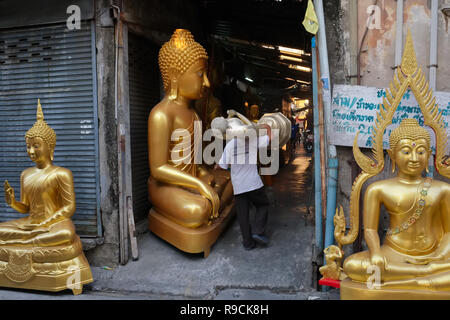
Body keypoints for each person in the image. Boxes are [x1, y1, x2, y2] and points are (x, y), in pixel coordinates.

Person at [215, 124, 272, 250]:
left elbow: (222, 166)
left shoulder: (230, 145)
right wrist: (266, 126)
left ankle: (248, 243)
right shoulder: (253, 141)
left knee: (243, 215)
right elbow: (270, 137)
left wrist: (217, 166)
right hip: (254, 184)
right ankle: (257, 231)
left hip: (239, 186)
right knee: (263, 205)